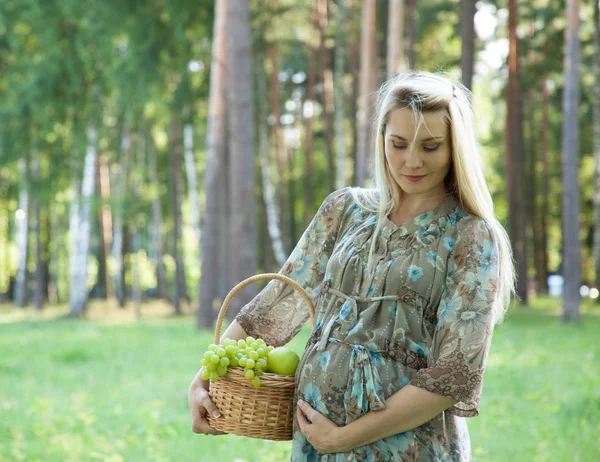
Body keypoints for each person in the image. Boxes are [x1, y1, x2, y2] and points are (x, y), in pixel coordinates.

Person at [188, 71, 515, 461]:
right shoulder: (346, 210)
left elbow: (453, 374)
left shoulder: (472, 236)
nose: (412, 160)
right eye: (398, 144)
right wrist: (203, 380)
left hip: (409, 448)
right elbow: (275, 307)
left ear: (454, 149)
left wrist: (347, 436)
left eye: (431, 147)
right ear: (381, 141)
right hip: (319, 444)